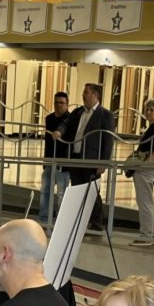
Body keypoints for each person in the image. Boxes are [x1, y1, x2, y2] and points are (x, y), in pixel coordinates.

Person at [62, 82, 115, 234]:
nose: (83, 95)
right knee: (77, 189)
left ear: (95, 95)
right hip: (76, 157)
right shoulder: (78, 112)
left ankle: (97, 222)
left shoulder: (105, 115)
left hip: (91, 159)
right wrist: (59, 132)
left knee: (91, 191)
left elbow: (108, 140)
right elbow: (66, 124)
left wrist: (103, 162)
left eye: (86, 92)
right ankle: (80, 220)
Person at [128, 99, 154, 248]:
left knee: (145, 202)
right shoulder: (153, 127)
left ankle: (147, 235)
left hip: (146, 169)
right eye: (147, 110)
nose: (148, 112)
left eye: (152, 110)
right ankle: (148, 233)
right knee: (145, 202)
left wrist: (144, 165)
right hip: (145, 168)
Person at [40, 91, 71, 225]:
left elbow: (63, 129)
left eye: (62, 103)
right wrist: (45, 161)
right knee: (45, 190)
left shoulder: (69, 119)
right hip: (49, 161)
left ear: (67, 104)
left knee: (61, 194)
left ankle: (60, 220)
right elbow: (48, 142)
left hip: (63, 162)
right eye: (56, 102)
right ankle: (44, 217)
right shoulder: (49, 118)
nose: (58, 105)